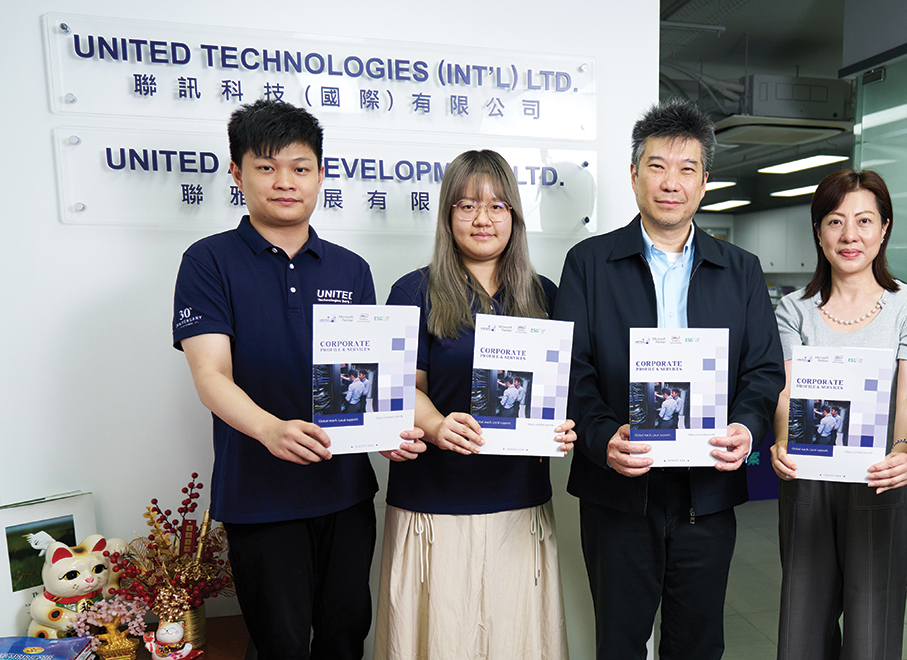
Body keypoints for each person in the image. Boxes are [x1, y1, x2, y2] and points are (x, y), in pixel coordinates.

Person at [172, 99, 424, 660]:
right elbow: (210, 375)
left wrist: (383, 431)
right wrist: (270, 429)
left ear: (320, 174)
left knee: (345, 636)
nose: (285, 182)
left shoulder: (350, 268)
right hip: (259, 496)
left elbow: (364, 377)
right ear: (237, 173)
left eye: (300, 167)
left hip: (346, 494)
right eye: (266, 167)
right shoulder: (208, 262)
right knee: (280, 645)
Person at [554, 98, 785, 659]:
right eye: (656, 166)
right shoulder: (588, 263)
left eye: (686, 169)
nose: (670, 183)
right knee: (619, 641)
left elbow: (763, 369)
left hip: (706, 490)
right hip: (618, 486)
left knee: (698, 643)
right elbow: (572, 369)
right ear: (634, 174)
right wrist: (602, 437)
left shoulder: (741, 270)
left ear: (704, 182)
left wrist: (746, 428)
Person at [375, 149, 577, 660]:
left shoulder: (545, 296)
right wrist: (435, 424)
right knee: (441, 639)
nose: (482, 219)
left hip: (519, 500)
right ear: (448, 216)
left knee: (515, 640)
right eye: (466, 206)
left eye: (497, 206)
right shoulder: (414, 290)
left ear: (515, 216)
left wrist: (565, 424)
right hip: (434, 500)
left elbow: (565, 388)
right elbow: (401, 386)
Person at [769, 169, 907, 660]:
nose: (850, 235)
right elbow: (787, 391)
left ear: (884, 229)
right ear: (819, 232)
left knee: (870, 637)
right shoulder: (794, 309)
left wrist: (903, 450)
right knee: (802, 633)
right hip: (807, 480)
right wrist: (783, 441)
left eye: (864, 220)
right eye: (835, 221)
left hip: (879, 477)